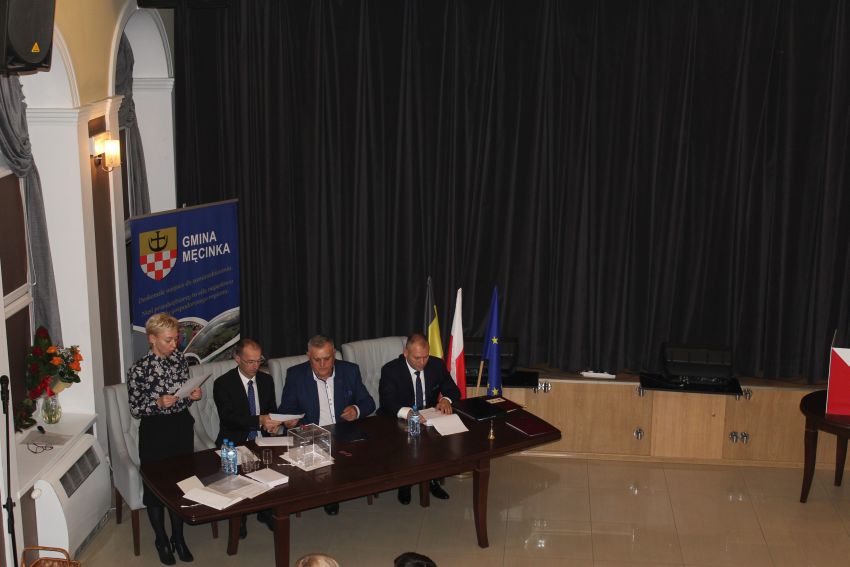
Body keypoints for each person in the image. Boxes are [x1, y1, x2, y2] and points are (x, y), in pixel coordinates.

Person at [128, 313, 202, 565]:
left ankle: (178, 538)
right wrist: (157, 403)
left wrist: (193, 394)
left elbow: (185, 392)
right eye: (168, 340)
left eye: (176, 339)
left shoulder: (179, 359)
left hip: (181, 426)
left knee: (180, 485)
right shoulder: (139, 369)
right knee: (155, 488)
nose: (174, 345)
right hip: (155, 432)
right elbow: (135, 409)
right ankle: (161, 539)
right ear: (152, 339)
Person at [278, 334, 376, 514]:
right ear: (308, 356)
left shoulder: (349, 371)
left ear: (334, 354)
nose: (322, 364)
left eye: (327, 358)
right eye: (317, 360)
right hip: (313, 435)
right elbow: (286, 409)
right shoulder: (296, 375)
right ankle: (329, 495)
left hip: (344, 432)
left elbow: (369, 403)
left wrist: (356, 410)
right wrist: (289, 421)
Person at [378, 333, 461, 504]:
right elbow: (387, 401)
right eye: (417, 358)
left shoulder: (436, 365)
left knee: (441, 439)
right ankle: (405, 483)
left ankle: (432, 480)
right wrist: (408, 413)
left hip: (428, 416)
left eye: (425, 357)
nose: (422, 362)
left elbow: (453, 390)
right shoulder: (391, 370)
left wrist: (446, 399)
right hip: (398, 418)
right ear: (405, 353)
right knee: (406, 443)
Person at [212, 338, 281, 537]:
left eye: (259, 361)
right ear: (237, 359)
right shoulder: (223, 383)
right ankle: (239, 518)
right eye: (250, 361)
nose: (255, 366)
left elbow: (271, 410)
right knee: (238, 479)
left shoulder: (266, 380)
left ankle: (265, 510)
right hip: (234, 440)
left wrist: (274, 425)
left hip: (262, 438)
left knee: (274, 468)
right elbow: (229, 418)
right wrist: (259, 420)